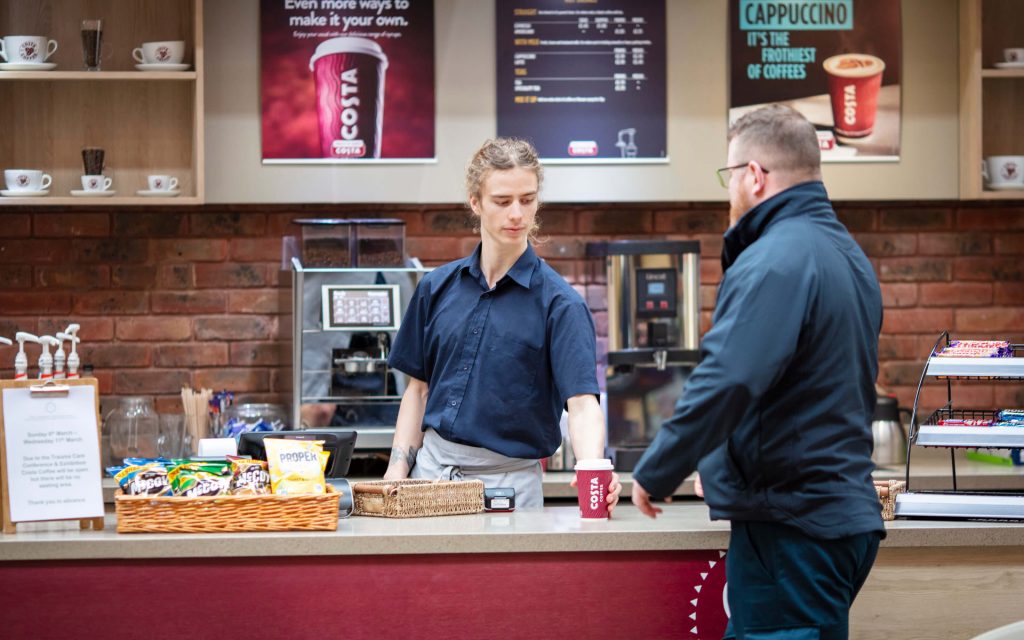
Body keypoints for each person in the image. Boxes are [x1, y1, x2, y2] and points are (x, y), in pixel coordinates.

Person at [631, 105, 884, 639]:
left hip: (793, 528)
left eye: (729, 177)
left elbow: (730, 377)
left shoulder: (776, 259)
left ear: (754, 176)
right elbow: (799, 391)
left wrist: (658, 469)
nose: (730, 193)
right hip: (831, 519)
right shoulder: (846, 255)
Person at [383, 137, 621, 511]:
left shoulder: (561, 304)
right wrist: (397, 472)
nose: (517, 214)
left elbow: (582, 404)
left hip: (509, 489)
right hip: (428, 478)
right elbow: (418, 391)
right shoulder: (436, 287)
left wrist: (593, 467)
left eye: (527, 200)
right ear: (475, 202)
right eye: (502, 201)